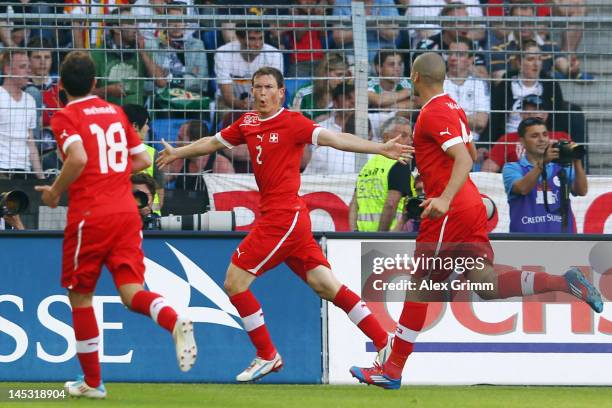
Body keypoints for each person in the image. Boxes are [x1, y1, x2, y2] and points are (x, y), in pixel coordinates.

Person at [349, 52, 602, 390]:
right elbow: (462, 156)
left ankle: (391, 368)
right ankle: (563, 281)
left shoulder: (433, 112)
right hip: (466, 207)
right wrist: (442, 194)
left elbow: (464, 161)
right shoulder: (452, 107)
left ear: (415, 77)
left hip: (451, 212)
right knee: (486, 283)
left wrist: (443, 198)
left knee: (420, 285)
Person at [157, 66, 413, 382]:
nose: (261, 93)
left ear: (281, 92)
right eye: (256, 88)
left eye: (267, 87)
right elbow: (212, 142)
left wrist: (380, 148)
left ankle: (267, 354)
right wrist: (178, 152)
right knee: (326, 285)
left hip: (283, 218)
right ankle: (384, 343)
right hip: (289, 220)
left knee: (234, 283)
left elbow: (335, 139)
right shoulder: (248, 122)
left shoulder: (293, 123)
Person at [34, 51, 196, 399]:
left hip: (91, 213)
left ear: (61, 86)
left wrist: (54, 192)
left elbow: (77, 157)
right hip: (126, 210)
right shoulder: (115, 112)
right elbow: (140, 158)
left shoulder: (65, 116)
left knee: (80, 295)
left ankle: (93, 382)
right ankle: (172, 320)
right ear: (96, 83)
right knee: (130, 291)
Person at [502, 117, 587, 233]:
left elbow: (582, 191)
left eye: (545, 134)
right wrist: (542, 163)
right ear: (522, 141)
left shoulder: (561, 167)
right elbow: (522, 189)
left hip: (564, 242)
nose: (542, 139)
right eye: (535, 136)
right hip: (524, 243)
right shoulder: (512, 167)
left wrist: (577, 160)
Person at [349, 116, 416, 232]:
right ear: (386, 137)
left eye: (411, 136)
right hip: (391, 237)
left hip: (361, 236)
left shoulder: (367, 166)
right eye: (404, 136)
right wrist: (381, 236)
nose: (410, 141)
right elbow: (391, 203)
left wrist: (354, 232)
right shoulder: (399, 164)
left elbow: (354, 204)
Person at [482, 94, 572, 173]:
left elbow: (574, 169)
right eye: (527, 112)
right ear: (521, 115)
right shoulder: (508, 139)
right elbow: (487, 172)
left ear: (546, 114)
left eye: (536, 110)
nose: (532, 114)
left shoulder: (562, 137)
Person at [0, 49, 44, 179]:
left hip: (24, 170)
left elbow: (31, 142)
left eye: (29, 67)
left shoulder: (30, 100)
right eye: (22, 67)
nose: (29, 71)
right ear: (7, 69)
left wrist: (41, 177)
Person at [122, 104, 165, 214]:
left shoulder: (153, 153)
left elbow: (160, 193)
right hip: (123, 213)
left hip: (149, 220)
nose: (148, 128)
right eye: (146, 124)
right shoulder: (115, 153)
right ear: (135, 126)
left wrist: (150, 210)